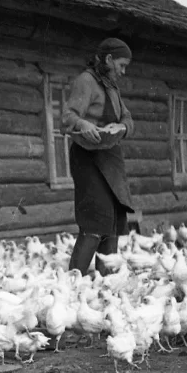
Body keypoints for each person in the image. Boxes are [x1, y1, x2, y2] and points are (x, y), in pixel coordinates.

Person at [61, 37, 135, 276]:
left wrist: (121, 127)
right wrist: (82, 124)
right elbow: (67, 117)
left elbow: (127, 118)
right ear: (109, 59)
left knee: (112, 222)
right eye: (121, 65)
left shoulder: (112, 87)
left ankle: (106, 282)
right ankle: (72, 282)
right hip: (87, 159)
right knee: (95, 221)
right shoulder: (86, 81)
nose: (123, 71)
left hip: (111, 159)